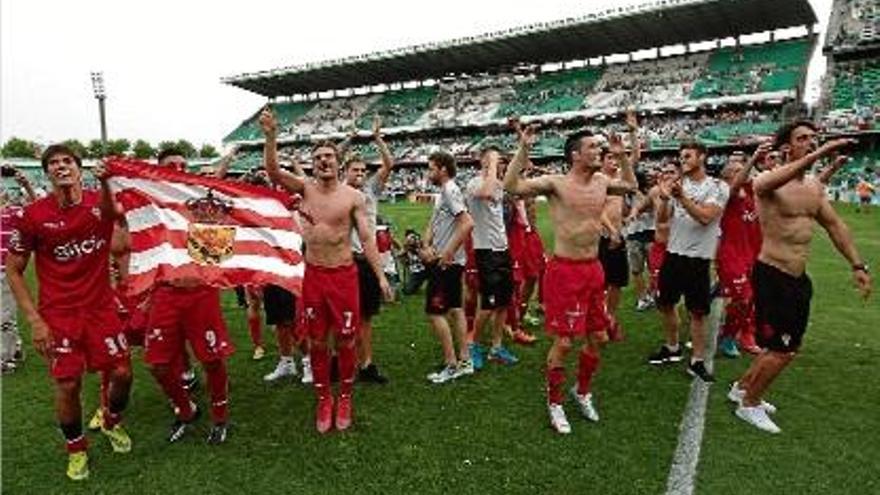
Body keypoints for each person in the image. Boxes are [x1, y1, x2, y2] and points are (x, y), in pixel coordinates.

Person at [730, 122, 871, 434]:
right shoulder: (767, 180)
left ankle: (742, 388)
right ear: (786, 148)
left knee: (785, 345)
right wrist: (823, 152)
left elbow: (835, 227)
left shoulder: (814, 188)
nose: (810, 142)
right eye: (802, 139)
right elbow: (770, 182)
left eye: (813, 138)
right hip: (773, 273)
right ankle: (749, 404)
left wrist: (858, 265)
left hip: (798, 277)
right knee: (783, 350)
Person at [260, 107, 391, 433]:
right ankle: (323, 399)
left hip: (344, 276)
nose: (323, 161)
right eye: (318, 157)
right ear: (313, 163)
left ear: (338, 162)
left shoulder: (354, 197)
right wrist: (271, 136)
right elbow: (274, 172)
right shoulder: (304, 188)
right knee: (318, 343)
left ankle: (344, 396)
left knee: (347, 341)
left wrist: (380, 275)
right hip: (313, 276)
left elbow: (366, 238)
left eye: (329, 156)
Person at [5, 145, 133, 480]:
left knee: (122, 374)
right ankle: (76, 451)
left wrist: (106, 182)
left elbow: (112, 213)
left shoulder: (97, 201)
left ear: (79, 169)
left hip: (101, 308)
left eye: (67, 161)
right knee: (67, 385)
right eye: (53, 163)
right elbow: (14, 269)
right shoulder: (32, 215)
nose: (61, 167)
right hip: (59, 314)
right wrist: (35, 320)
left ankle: (111, 421)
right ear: (45, 173)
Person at [504, 124, 636, 434]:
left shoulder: (603, 180)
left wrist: (623, 156)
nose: (599, 151)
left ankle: (582, 390)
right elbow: (512, 186)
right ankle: (555, 402)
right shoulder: (556, 183)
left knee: (599, 338)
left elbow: (629, 185)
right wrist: (523, 148)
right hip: (565, 272)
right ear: (576, 154)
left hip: (593, 270)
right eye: (593, 147)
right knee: (563, 342)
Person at [140, 147, 237, 445]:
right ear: (159, 170)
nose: (179, 168)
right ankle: (186, 409)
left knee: (212, 359)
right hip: (165, 293)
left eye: (183, 164)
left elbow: (220, 249)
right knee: (158, 364)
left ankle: (220, 418)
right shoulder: (150, 204)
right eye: (172, 165)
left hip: (200, 293)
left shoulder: (203, 202)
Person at [647, 141, 730, 383]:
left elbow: (706, 218)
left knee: (697, 312)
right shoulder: (677, 185)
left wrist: (681, 197)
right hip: (674, 254)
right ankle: (672, 347)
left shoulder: (717, 186)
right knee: (665, 304)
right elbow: (662, 220)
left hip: (699, 258)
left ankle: (697, 361)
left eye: (688, 156)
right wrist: (663, 198)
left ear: (702, 157)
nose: (683, 160)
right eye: (681, 157)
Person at [342, 115, 395, 384]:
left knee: (365, 317)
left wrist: (377, 138)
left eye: (363, 171)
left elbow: (389, 164)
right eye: (356, 171)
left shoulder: (371, 190)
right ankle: (339, 363)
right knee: (341, 317)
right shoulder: (337, 191)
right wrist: (349, 139)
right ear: (345, 172)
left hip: (367, 261)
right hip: (344, 261)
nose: (361, 175)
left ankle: (367, 365)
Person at [422, 150, 475, 384]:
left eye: (431, 168)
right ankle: (464, 361)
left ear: (443, 169)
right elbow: (434, 223)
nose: (428, 172)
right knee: (455, 309)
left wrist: (447, 252)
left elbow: (467, 223)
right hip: (448, 262)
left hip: (447, 263)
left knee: (435, 313)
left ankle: (452, 364)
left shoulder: (450, 190)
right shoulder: (443, 192)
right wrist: (426, 243)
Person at [465, 146, 518, 368]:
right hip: (485, 250)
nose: (501, 164)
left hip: (501, 248)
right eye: (497, 159)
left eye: (502, 160)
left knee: (504, 301)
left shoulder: (498, 185)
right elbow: (485, 193)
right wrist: (492, 164)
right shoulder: (475, 183)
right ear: (484, 161)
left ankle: (496, 347)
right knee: (488, 303)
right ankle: (474, 344)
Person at [715, 146, 770, 358]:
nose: (745, 172)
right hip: (731, 256)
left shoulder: (750, 193)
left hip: (754, 255)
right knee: (743, 298)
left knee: (751, 298)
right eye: (737, 170)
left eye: (744, 169)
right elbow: (734, 186)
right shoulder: (724, 193)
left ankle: (737, 332)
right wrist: (753, 157)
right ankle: (728, 336)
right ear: (727, 177)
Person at [597, 110, 640, 341]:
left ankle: (610, 318)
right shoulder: (598, 182)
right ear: (602, 161)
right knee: (600, 283)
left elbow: (634, 158)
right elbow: (597, 211)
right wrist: (612, 231)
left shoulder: (620, 179)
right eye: (610, 159)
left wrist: (632, 132)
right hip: (603, 237)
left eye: (615, 159)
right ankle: (600, 321)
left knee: (617, 282)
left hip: (618, 236)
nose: (614, 162)